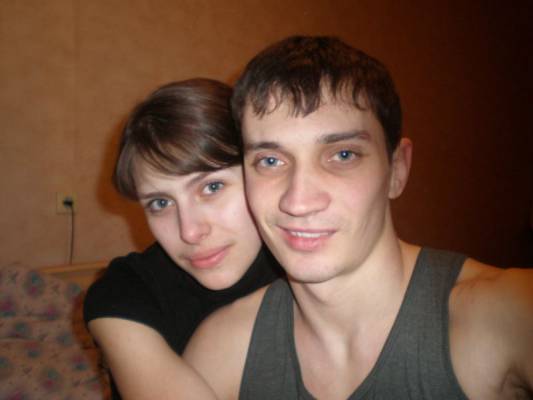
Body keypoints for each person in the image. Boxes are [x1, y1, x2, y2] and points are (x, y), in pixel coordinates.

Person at [184, 36, 533, 399]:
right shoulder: (222, 350)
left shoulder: (508, 313)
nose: (298, 202)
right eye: (270, 161)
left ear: (397, 169)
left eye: (343, 155)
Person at [83, 78, 282, 400]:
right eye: (161, 203)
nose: (189, 232)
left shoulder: (308, 266)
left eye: (212, 187)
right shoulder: (125, 293)